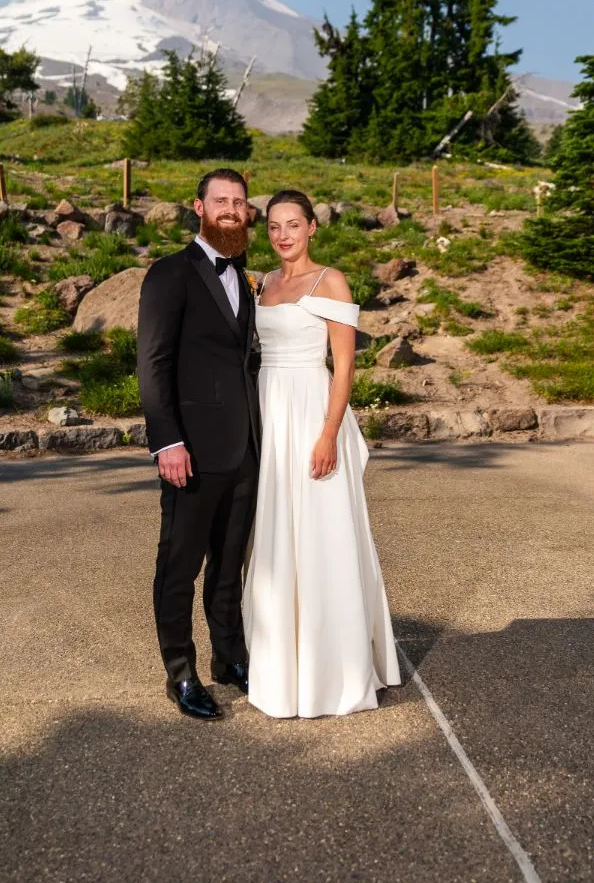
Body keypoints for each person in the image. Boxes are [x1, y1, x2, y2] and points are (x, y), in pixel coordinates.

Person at [243, 189, 401, 718]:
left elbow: (343, 364)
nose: (283, 235)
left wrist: (329, 432)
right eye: (273, 227)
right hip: (269, 410)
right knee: (274, 530)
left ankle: (330, 669)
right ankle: (278, 660)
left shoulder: (330, 280)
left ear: (313, 227)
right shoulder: (262, 283)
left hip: (311, 410)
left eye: (293, 224)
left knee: (319, 532)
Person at [136, 168, 260, 721]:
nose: (231, 210)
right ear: (199, 207)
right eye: (221, 201)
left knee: (228, 567)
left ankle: (229, 659)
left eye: (239, 202)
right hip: (189, 453)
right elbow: (154, 364)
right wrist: (168, 442)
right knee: (179, 567)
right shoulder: (169, 274)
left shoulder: (247, 280)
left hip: (244, 452)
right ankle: (181, 673)